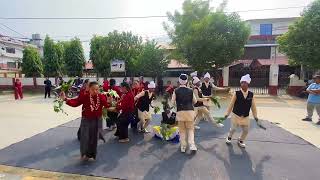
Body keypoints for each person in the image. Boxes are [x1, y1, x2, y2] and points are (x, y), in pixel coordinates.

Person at [62, 81, 110, 161]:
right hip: (86, 120)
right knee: (85, 137)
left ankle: (91, 154)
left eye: (97, 89)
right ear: (89, 89)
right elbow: (75, 103)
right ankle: (84, 154)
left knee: (94, 138)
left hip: (96, 120)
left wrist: (110, 101)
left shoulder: (101, 97)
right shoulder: (85, 96)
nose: (95, 91)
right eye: (93, 89)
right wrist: (65, 99)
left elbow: (107, 105)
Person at [224, 74, 259, 148]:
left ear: (248, 83)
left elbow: (253, 106)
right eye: (242, 82)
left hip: (245, 116)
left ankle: (240, 140)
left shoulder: (251, 94)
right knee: (233, 129)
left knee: (246, 130)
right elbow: (231, 104)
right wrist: (227, 113)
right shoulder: (236, 93)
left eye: (245, 82)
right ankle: (229, 137)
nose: (243, 84)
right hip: (236, 115)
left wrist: (255, 116)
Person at [172, 74, 198, 153]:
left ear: (179, 81)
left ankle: (183, 146)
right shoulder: (190, 90)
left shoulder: (176, 90)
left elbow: (172, 102)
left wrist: (175, 106)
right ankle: (192, 144)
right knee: (190, 129)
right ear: (186, 81)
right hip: (190, 112)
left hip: (180, 112)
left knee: (182, 130)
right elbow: (195, 101)